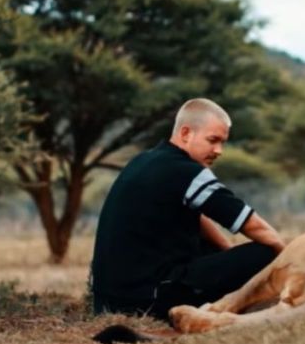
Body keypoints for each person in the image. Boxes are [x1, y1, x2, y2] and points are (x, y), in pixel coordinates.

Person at [90, 98, 285, 321]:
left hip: (107, 301)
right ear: (185, 133)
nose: (219, 150)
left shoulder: (144, 160)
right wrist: (291, 256)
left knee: (209, 245)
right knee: (264, 252)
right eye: (213, 140)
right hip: (148, 301)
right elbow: (251, 224)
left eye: (223, 142)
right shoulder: (186, 171)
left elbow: (199, 217)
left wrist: (226, 251)